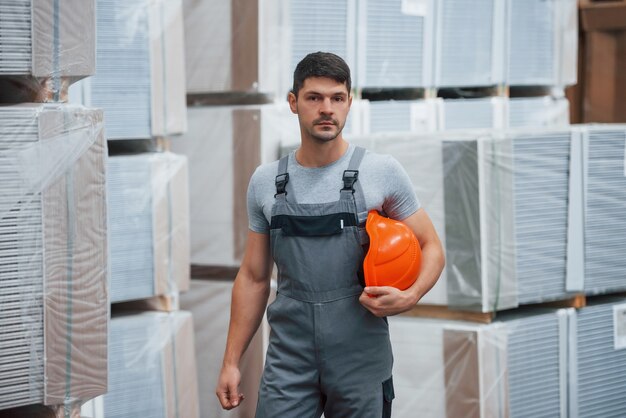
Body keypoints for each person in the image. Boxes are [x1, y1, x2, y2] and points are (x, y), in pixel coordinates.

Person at [216, 51, 445, 418]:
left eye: (337, 98)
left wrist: (411, 295)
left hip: (360, 355)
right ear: (293, 103)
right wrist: (231, 361)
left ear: (349, 102)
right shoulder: (265, 182)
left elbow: (431, 246)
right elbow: (255, 277)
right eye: (314, 98)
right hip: (290, 356)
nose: (327, 109)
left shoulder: (380, 172)